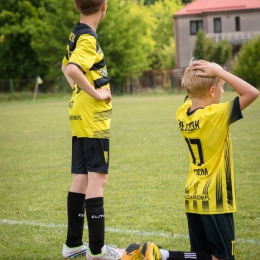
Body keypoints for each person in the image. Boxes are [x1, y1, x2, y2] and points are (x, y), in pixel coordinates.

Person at [174, 59, 259, 259]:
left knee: (201, 255)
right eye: (221, 88)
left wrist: (197, 72)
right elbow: (252, 93)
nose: (223, 92)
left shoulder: (182, 113)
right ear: (212, 91)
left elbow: (192, 93)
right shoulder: (216, 114)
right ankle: (166, 255)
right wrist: (220, 72)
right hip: (216, 200)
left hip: (193, 197)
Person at [61, 0, 123, 259]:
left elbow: (65, 67)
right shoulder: (88, 36)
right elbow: (74, 69)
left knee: (82, 178)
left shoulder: (77, 32)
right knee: (98, 179)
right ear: (104, 6)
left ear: (78, 7)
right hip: (92, 118)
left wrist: (80, 90)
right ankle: (97, 251)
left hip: (79, 114)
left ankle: (73, 244)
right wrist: (96, 94)